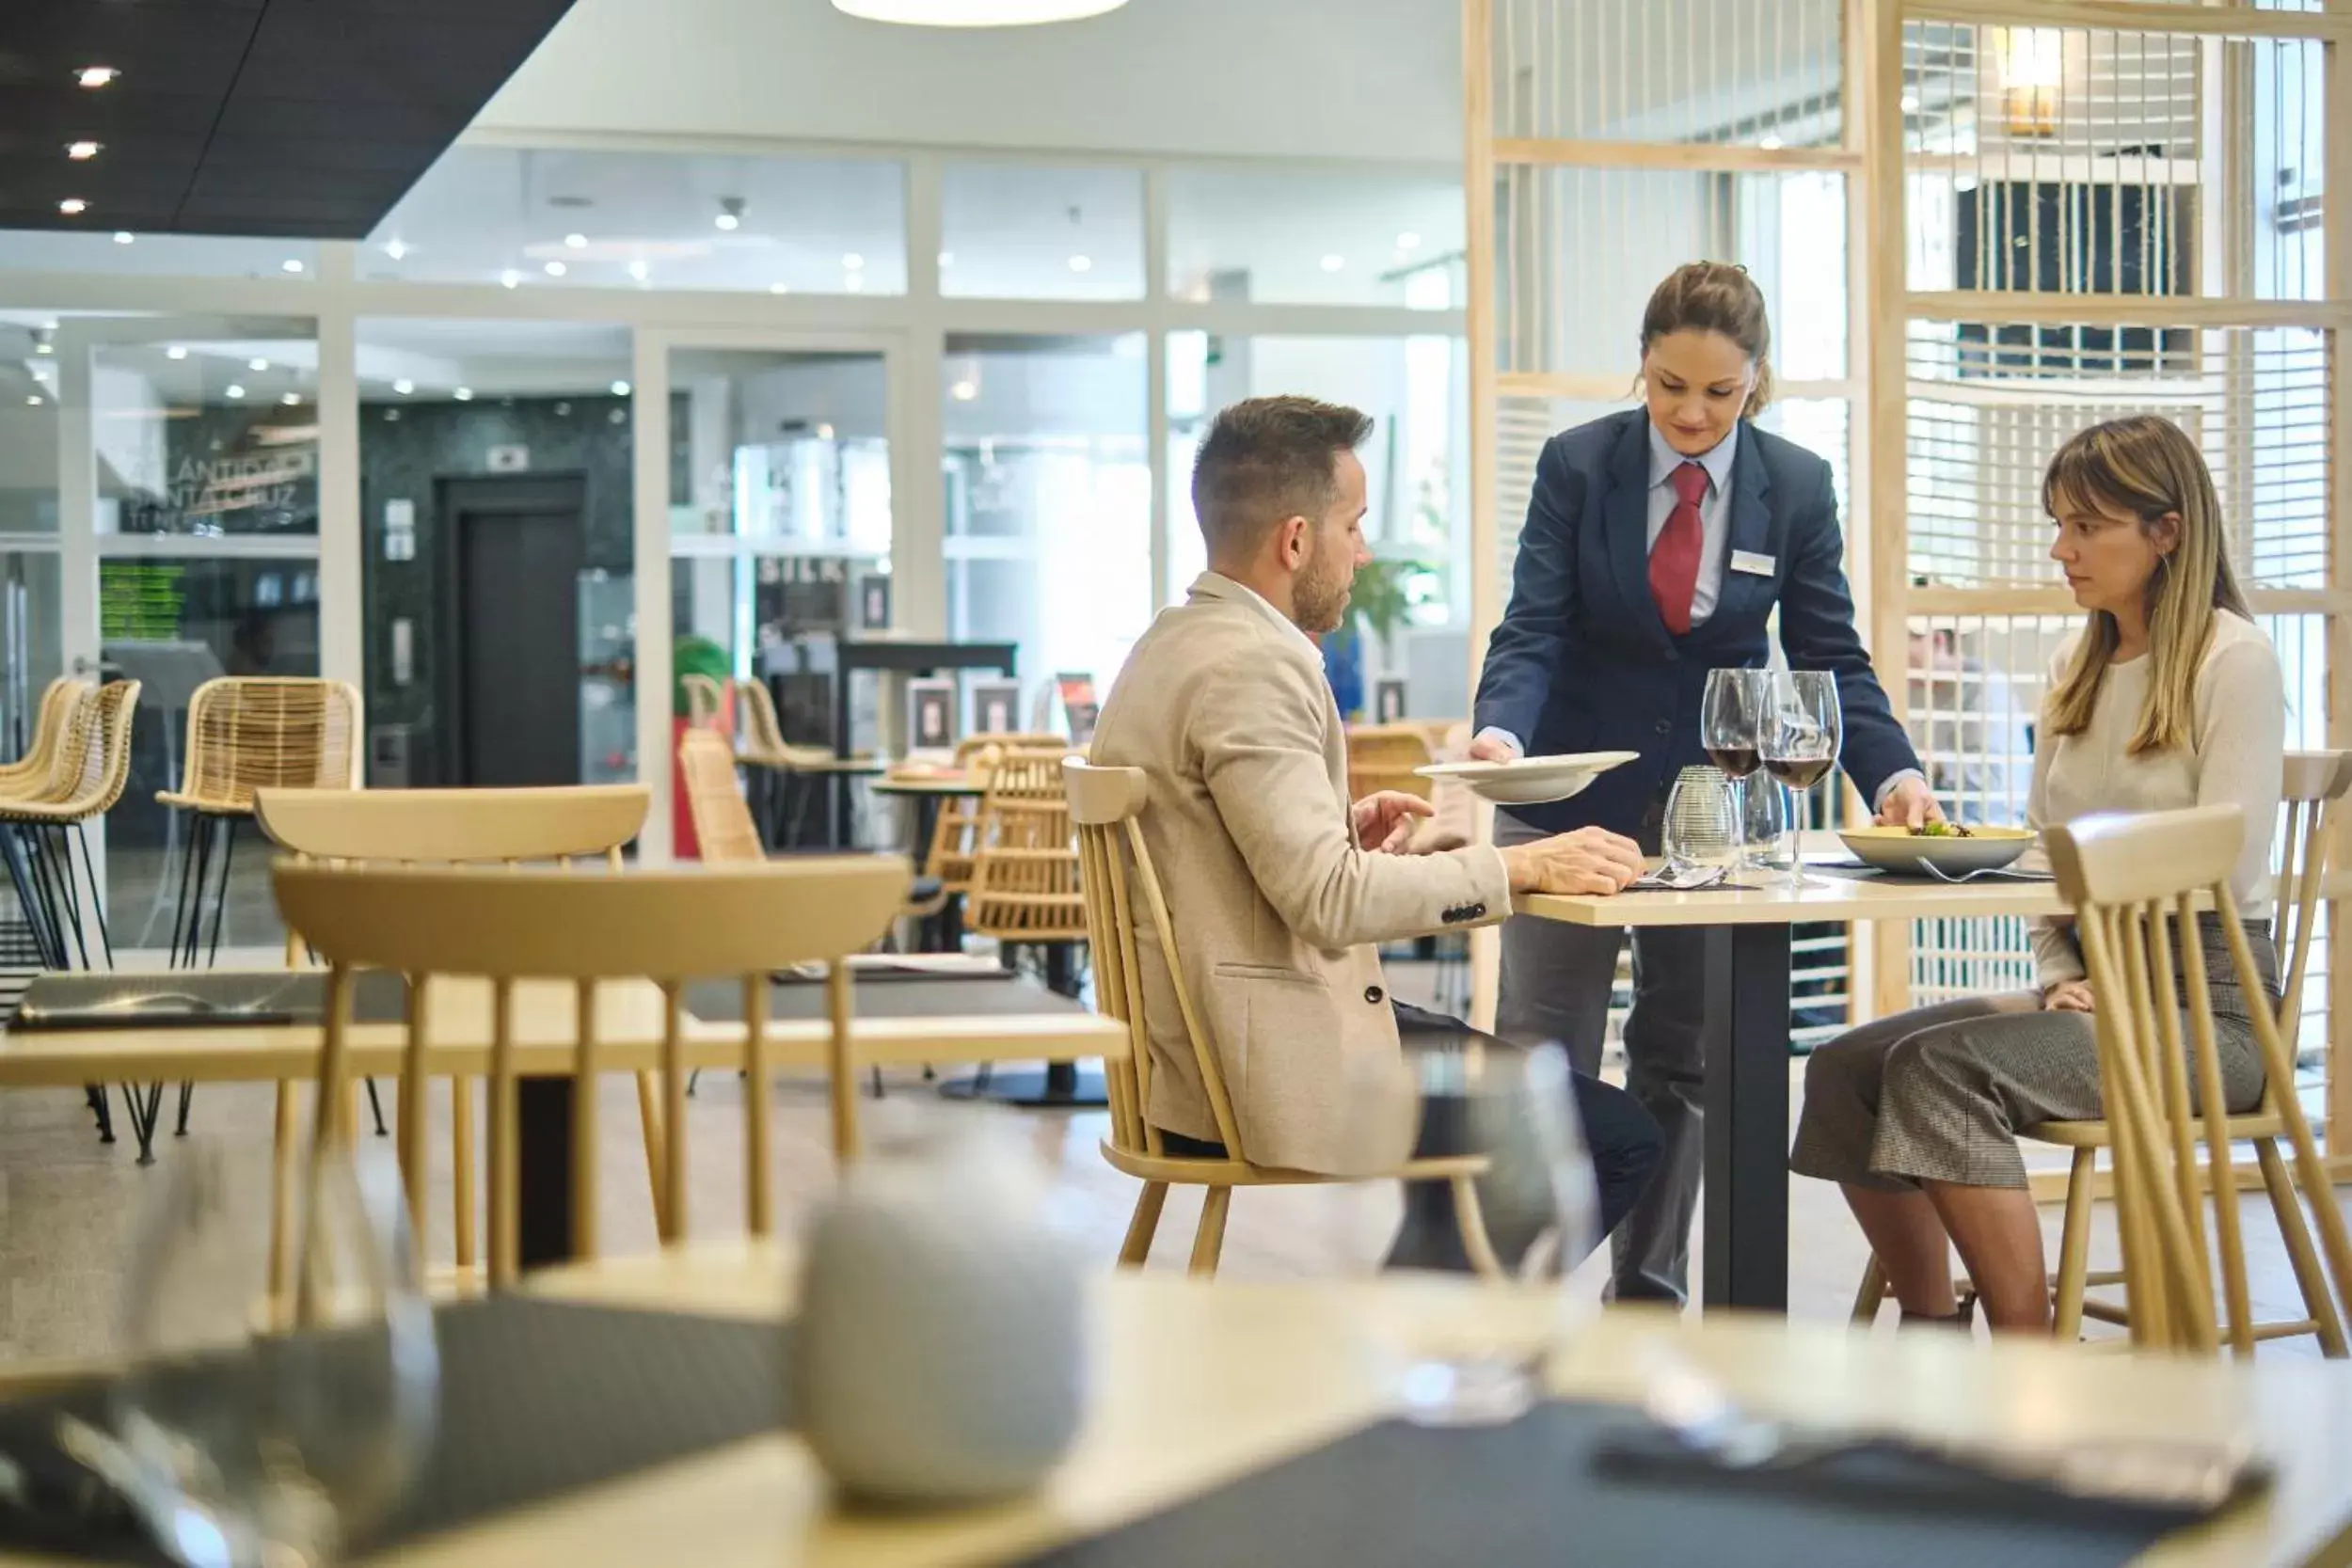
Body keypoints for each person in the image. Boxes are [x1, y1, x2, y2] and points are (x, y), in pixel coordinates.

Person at [1089, 395, 1664, 1266]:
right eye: (1352, 526)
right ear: (1294, 541)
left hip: (1184, 1056)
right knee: (1613, 1134)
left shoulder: (1171, 642)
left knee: (1502, 1081)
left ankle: (1418, 1324)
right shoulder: (1255, 667)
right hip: (1259, 1073)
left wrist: (1336, 829)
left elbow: (1212, 847)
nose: (1362, 552)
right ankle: (1425, 1355)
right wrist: (1520, 866)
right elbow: (1327, 902)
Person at [1470, 261, 1938, 1303]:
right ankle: (1511, 1298)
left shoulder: (1797, 486)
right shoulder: (1577, 466)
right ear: (1641, 366)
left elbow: (1829, 658)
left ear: (1755, 384)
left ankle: (1648, 1289)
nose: (1689, 410)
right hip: (1562, 803)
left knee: (1680, 1057)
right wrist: (1500, 734)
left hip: (1706, 817)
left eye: (1717, 392)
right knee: (1541, 1056)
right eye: (1668, 383)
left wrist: (1891, 773)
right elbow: (1531, 626)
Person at [1790, 415, 2284, 1334]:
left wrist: (2094, 920)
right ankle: (1931, 1327)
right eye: (2057, 524)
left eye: (2086, 525)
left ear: (2166, 530)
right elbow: (2040, 852)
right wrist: (2063, 971)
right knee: (1843, 1067)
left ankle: (2025, 1358)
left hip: (2210, 1016)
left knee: (1938, 1069)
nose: (2061, 549)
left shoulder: (2234, 660)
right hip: (2094, 986)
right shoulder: (2074, 665)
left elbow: (2230, 855)